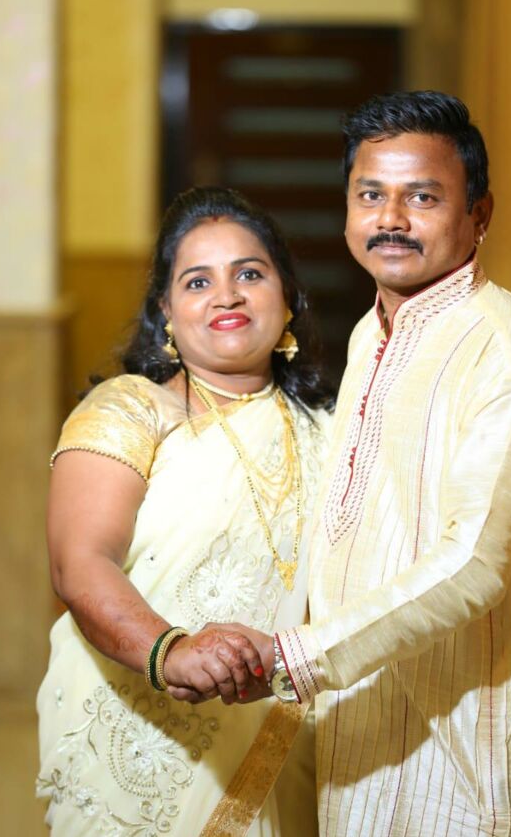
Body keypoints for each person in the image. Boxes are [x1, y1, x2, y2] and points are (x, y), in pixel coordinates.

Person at [216, 91, 511, 835]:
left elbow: (473, 563)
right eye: (370, 195)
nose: (391, 218)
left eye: (423, 197)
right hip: (364, 722)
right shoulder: (370, 333)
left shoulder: (507, 353)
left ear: (479, 214)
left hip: (473, 744)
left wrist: (296, 656)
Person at [36, 186, 334, 836]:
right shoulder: (131, 410)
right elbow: (79, 561)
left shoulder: (332, 432)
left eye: (249, 274)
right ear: (167, 311)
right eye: (198, 281)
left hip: (287, 731)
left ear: (287, 296)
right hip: (139, 729)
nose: (226, 296)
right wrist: (169, 652)